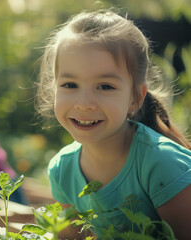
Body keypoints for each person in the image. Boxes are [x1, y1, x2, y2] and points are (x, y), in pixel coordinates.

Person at [36, 9, 191, 239]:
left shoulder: (161, 163)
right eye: (70, 85)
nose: (84, 103)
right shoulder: (62, 170)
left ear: (135, 98)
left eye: (105, 86)